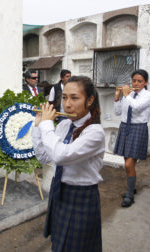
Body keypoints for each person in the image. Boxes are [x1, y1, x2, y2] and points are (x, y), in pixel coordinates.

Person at [32, 76, 104, 251]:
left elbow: (60, 156)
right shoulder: (64, 125)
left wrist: (47, 124)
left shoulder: (95, 132)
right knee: (58, 243)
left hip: (81, 196)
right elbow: (43, 157)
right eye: (64, 97)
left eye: (74, 98)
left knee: (77, 247)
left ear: (90, 100)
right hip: (59, 191)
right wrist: (37, 126)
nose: (67, 104)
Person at [113, 69, 150, 207]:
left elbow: (136, 107)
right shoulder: (128, 94)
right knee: (127, 163)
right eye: (134, 81)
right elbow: (117, 112)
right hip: (125, 127)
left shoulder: (148, 95)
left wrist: (126, 95)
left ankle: (129, 195)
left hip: (138, 128)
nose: (136, 84)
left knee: (129, 164)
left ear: (145, 82)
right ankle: (132, 187)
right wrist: (117, 97)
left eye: (140, 81)